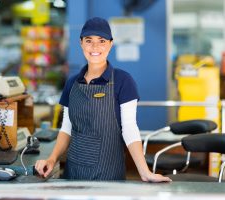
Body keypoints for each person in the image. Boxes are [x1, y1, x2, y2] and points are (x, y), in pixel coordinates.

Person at [35, 17, 171, 182]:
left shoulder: (123, 80)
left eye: (101, 41)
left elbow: (129, 128)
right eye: (89, 41)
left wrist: (144, 172)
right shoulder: (72, 83)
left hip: (108, 173)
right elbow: (66, 128)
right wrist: (52, 159)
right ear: (81, 43)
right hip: (73, 173)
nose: (95, 47)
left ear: (110, 44)